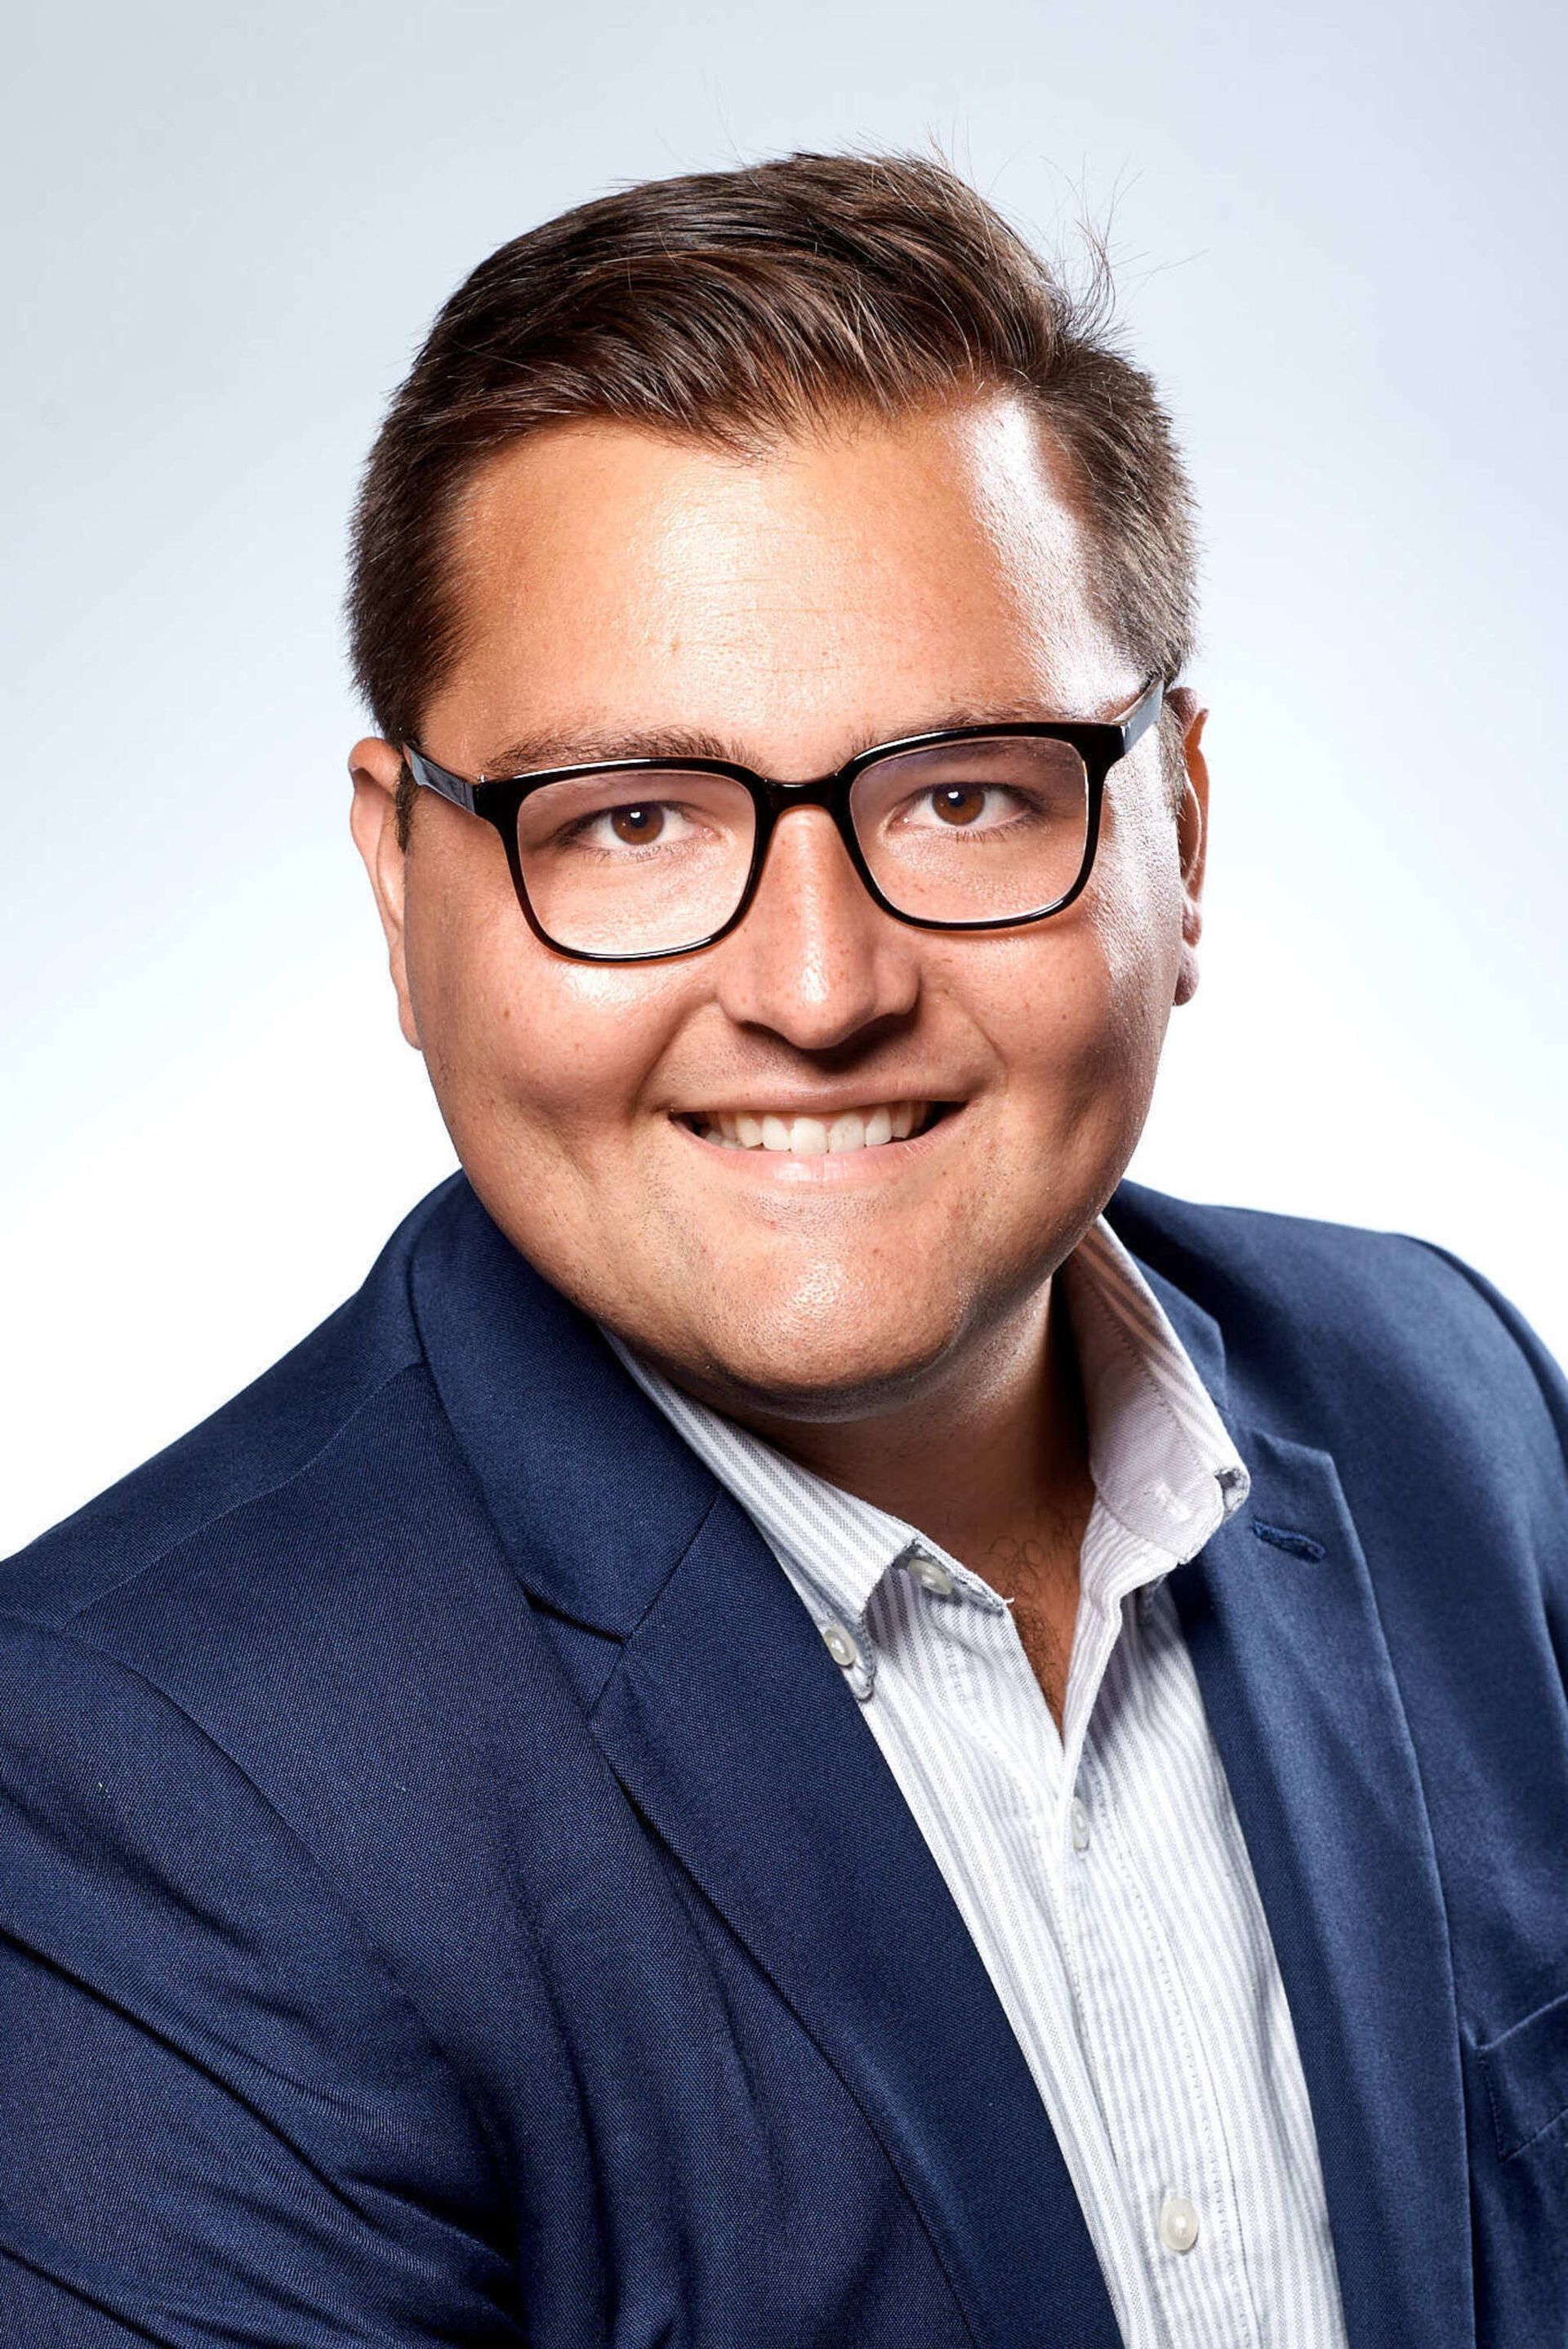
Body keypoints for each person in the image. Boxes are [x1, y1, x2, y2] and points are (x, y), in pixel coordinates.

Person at [2, 150, 1564, 2349]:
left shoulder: (1454, 1405)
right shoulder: (130, 1777)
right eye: (633, 821)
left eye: (964, 794)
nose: (819, 988)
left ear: (1183, 827)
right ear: (400, 885)